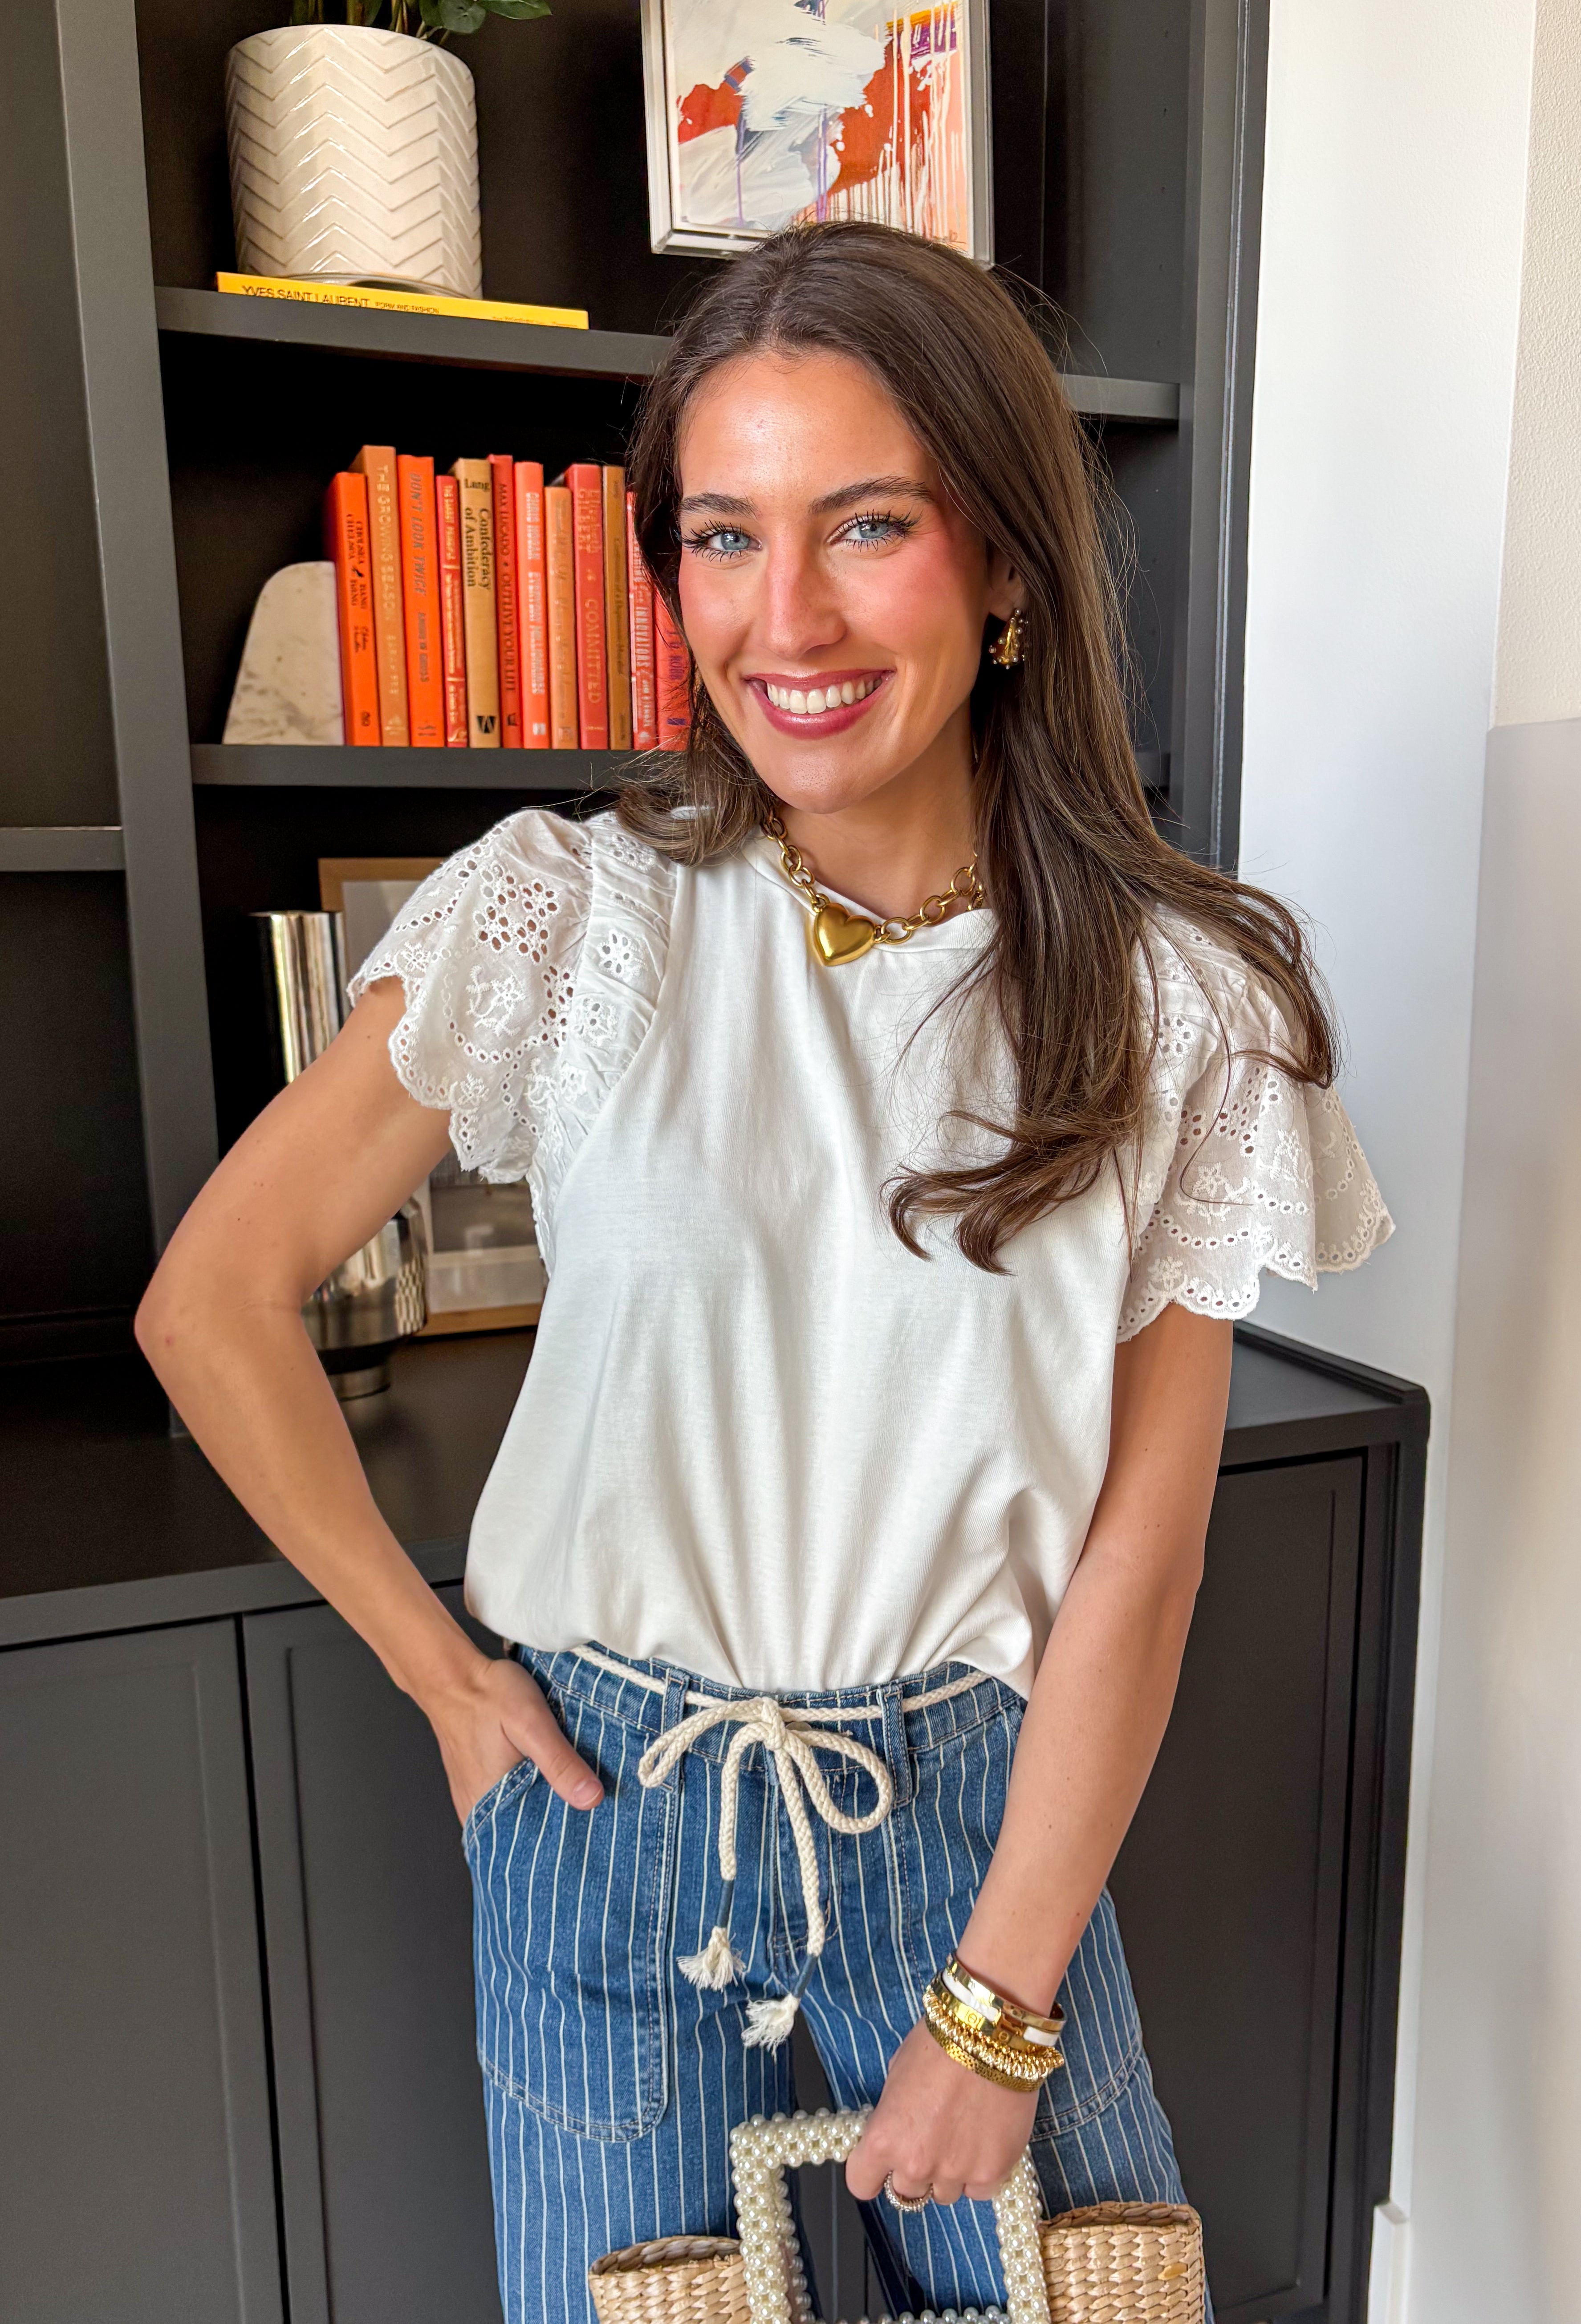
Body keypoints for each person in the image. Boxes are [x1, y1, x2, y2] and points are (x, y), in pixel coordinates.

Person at [137, 220, 1390, 2324]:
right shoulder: (570, 919)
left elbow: (1142, 1557)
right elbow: (211, 1301)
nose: (783, 617)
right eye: (724, 535)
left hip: (979, 1823)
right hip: (603, 1807)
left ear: (1006, 566)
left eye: (867, 525)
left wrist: (996, 2008)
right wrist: (444, 1680)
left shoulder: (1183, 1002)